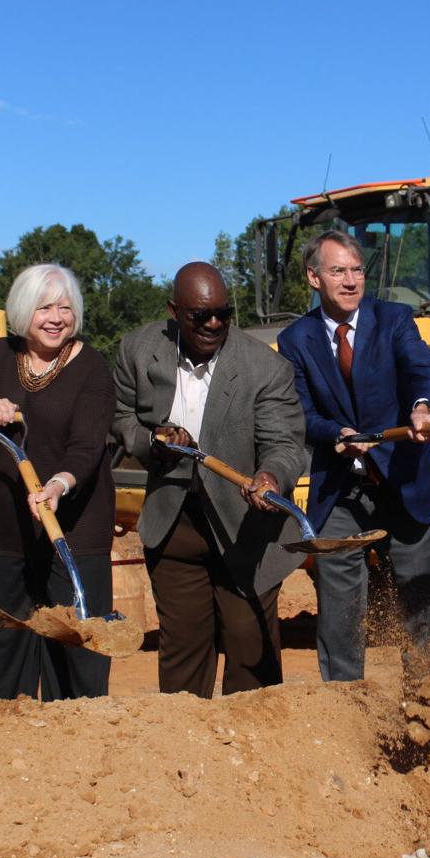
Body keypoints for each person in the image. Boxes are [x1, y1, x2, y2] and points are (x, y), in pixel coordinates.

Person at [111, 262, 307, 697]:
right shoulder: (138, 350)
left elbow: (285, 443)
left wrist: (271, 475)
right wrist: (153, 440)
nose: (214, 323)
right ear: (174, 311)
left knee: (250, 648)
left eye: (223, 313)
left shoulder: (265, 367)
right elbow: (121, 416)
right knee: (183, 650)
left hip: (247, 527)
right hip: (174, 524)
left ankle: (253, 737)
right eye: (201, 315)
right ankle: (187, 736)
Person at [276, 231, 430, 682]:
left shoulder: (394, 319)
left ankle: (426, 695)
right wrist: (337, 433)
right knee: (339, 603)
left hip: (402, 479)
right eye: (338, 271)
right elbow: (301, 412)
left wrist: (422, 407)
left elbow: (421, 372)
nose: (351, 281)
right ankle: (344, 699)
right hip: (340, 488)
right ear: (314, 277)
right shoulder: (295, 339)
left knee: (419, 597)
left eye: (357, 270)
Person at [0, 264, 117, 701]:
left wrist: (57, 487)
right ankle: (12, 733)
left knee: (76, 650)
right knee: (7, 645)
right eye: (44, 308)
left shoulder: (92, 368)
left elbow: (87, 448)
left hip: (73, 531)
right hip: (9, 531)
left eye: (65, 308)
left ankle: (76, 735)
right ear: (23, 311)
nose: (56, 318)